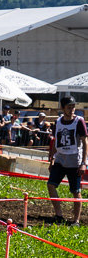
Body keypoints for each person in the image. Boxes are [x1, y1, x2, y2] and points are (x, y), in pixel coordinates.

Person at [48, 96, 87, 225]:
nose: (72, 110)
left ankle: (76, 221)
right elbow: (55, 142)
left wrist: (83, 163)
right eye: (69, 107)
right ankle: (59, 215)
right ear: (62, 108)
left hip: (74, 161)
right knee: (51, 184)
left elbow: (85, 142)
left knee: (76, 191)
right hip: (60, 159)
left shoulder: (79, 121)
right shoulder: (58, 122)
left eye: (73, 107)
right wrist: (52, 159)